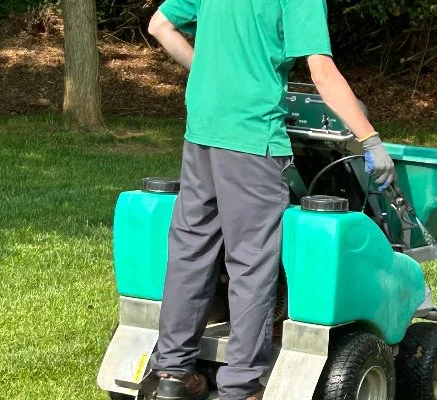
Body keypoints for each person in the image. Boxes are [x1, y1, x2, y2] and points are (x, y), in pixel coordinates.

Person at [146, 0, 395, 398]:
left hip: (203, 131)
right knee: (251, 262)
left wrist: (216, 80)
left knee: (191, 249)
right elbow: (322, 72)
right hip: (252, 141)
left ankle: (171, 376)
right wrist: (369, 138)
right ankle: (241, 388)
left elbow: (159, 25)